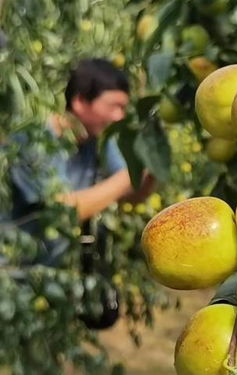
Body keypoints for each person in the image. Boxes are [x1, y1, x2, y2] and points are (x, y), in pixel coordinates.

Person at [7, 58, 155, 328]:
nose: (119, 116)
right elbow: (61, 212)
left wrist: (154, 167)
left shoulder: (96, 139)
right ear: (79, 102)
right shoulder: (34, 141)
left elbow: (131, 195)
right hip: (9, 275)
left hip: (41, 278)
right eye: (114, 106)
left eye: (123, 107)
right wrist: (128, 177)